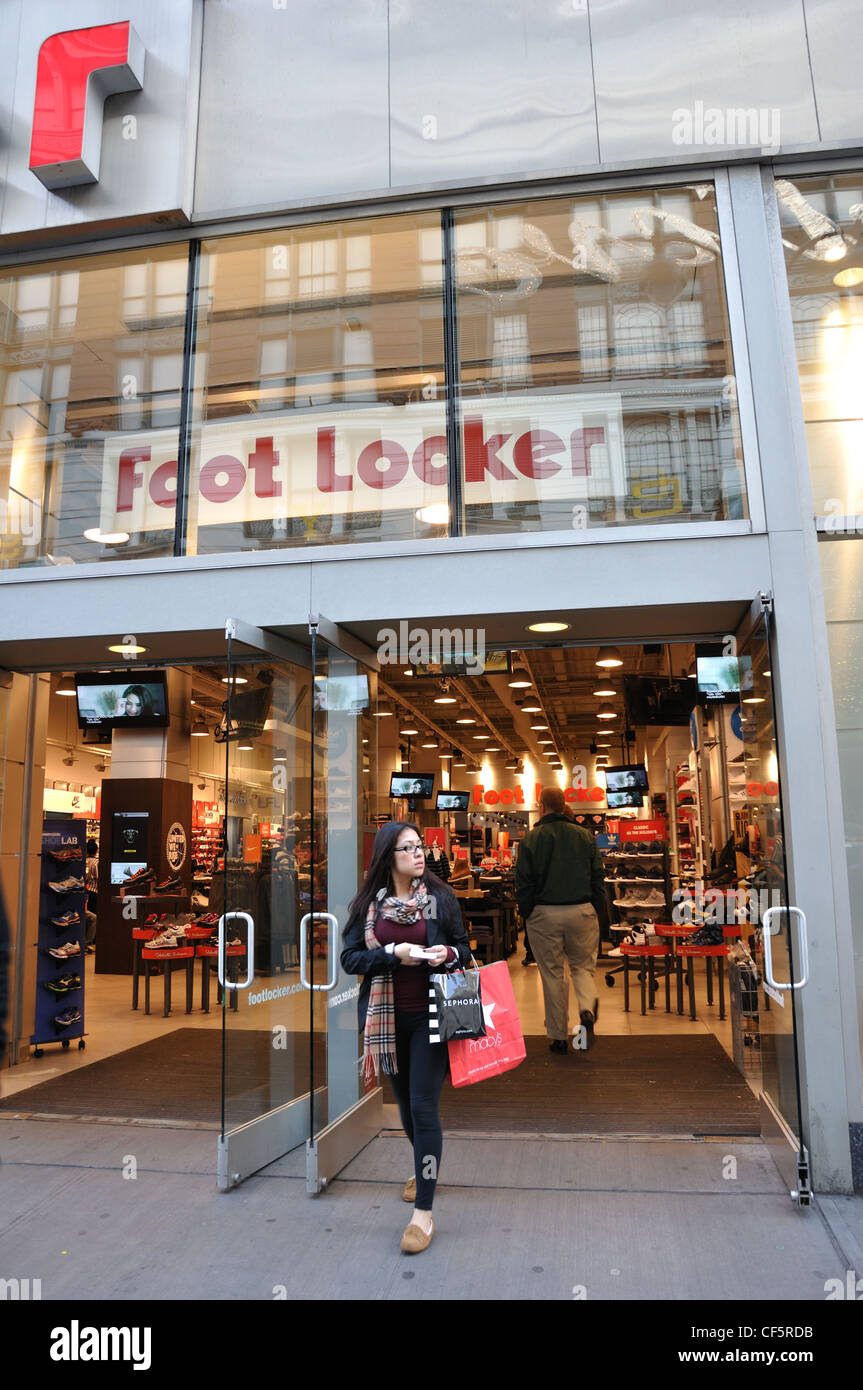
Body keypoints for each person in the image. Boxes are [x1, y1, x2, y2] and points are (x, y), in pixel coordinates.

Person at [340, 821, 470, 1254]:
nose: (419, 854)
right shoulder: (368, 907)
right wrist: (391, 955)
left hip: (433, 1020)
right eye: (408, 848)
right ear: (387, 856)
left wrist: (446, 953)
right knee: (408, 1114)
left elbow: (464, 949)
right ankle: (424, 1166)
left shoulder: (440, 898)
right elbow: (351, 959)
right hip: (387, 1025)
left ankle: (423, 1215)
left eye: (421, 847)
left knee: (422, 1106)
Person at [515, 785, 606, 1054]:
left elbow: (523, 882)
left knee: (553, 974)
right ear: (564, 805)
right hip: (582, 910)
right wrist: (596, 909)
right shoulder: (585, 837)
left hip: (544, 913)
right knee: (582, 967)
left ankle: (557, 1036)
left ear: (541, 806)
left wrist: (527, 911)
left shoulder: (531, 840)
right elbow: (597, 877)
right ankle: (587, 1011)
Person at [84, 837, 99, 953]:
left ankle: (87, 939)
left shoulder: (83, 861)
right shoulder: (97, 862)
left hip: (87, 892)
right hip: (95, 892)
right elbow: (99, 878)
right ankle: (91, 940)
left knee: (88, 917)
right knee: (94, 917)